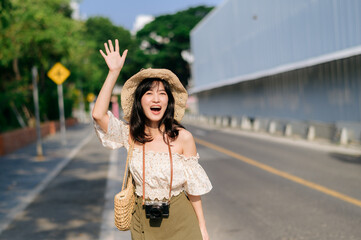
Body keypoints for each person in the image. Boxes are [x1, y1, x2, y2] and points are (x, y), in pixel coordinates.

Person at [92, 39, 212, 240]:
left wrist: (202, 227)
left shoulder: (184, 138)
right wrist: (113, 72)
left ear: (168, 102)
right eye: (149, 94)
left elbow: (193, 190)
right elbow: (98, 115)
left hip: (181, 220)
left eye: (162, 94)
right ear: (140, 101)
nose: (156, 99)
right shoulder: (130, 135)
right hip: (142, 220)